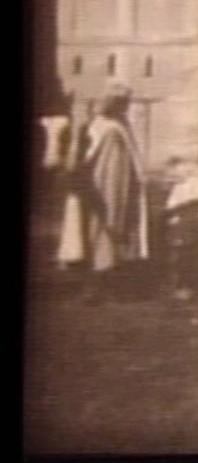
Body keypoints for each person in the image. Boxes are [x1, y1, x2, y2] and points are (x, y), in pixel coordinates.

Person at [65, 83, 150, 302]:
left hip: (116, 188)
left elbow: (127, 161)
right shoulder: (107, 128)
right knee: (98, 236)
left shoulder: (118, 125)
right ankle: (93, 287)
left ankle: (104, 286)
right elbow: (99, 162)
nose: (126, 107)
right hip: (102, 190)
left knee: (109, 238)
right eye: (122, 103)